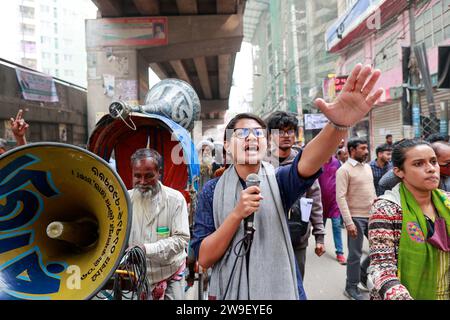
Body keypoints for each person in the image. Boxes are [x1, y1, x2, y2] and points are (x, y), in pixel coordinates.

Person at [191, 63, 383, 300]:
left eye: (258, 133)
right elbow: (204, 258)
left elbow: (307, 163)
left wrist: (337, 126)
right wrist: (236, 214)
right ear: (228, 146)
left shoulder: (278, 180)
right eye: (242, 134)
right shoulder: (211, 191)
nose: (252, 137)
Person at [368, 139, 450, 300]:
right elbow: (381, 268)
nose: (431, 169)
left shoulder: (447, 202)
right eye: (419, 164)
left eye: (433, 162)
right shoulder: (386, 210)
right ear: (399, 171)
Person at [265, 111, 325, 279]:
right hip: (268, 237)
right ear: (270, 136)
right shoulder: (261, 162)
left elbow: (315, 198)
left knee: (297, 284)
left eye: (290, 131)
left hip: (298, 236)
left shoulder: (305, 163)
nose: (286, 135)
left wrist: (319, 236)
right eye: (280, 131)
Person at [128, 148, 190, 300]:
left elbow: (181, 239)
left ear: (159, 173)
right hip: (137, 277)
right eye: (137, 176)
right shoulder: (124, 200)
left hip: (170, 274)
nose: (142, 182)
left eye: (148, 176)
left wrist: (146, 249)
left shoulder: (175, 200)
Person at [336, 138, 377, 300]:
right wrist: (349, 222)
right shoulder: (344, 170)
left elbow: (372, 191)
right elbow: (340, 197)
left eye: (367, 148)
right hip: (356, 218)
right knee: (355, 253)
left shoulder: (367, 167)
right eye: (363, 148)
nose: (366, 151)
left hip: (372, 216)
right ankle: (350, 286)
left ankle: (361, 273)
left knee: (379, 249)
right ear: (352, 150)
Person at [319, 156, 346, 265]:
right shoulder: (318, 161)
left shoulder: (337, 163)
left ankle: (339, 252)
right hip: (321, 201)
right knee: (321, 226)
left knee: (336, 225)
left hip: (334, 201)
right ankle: (320, 243)